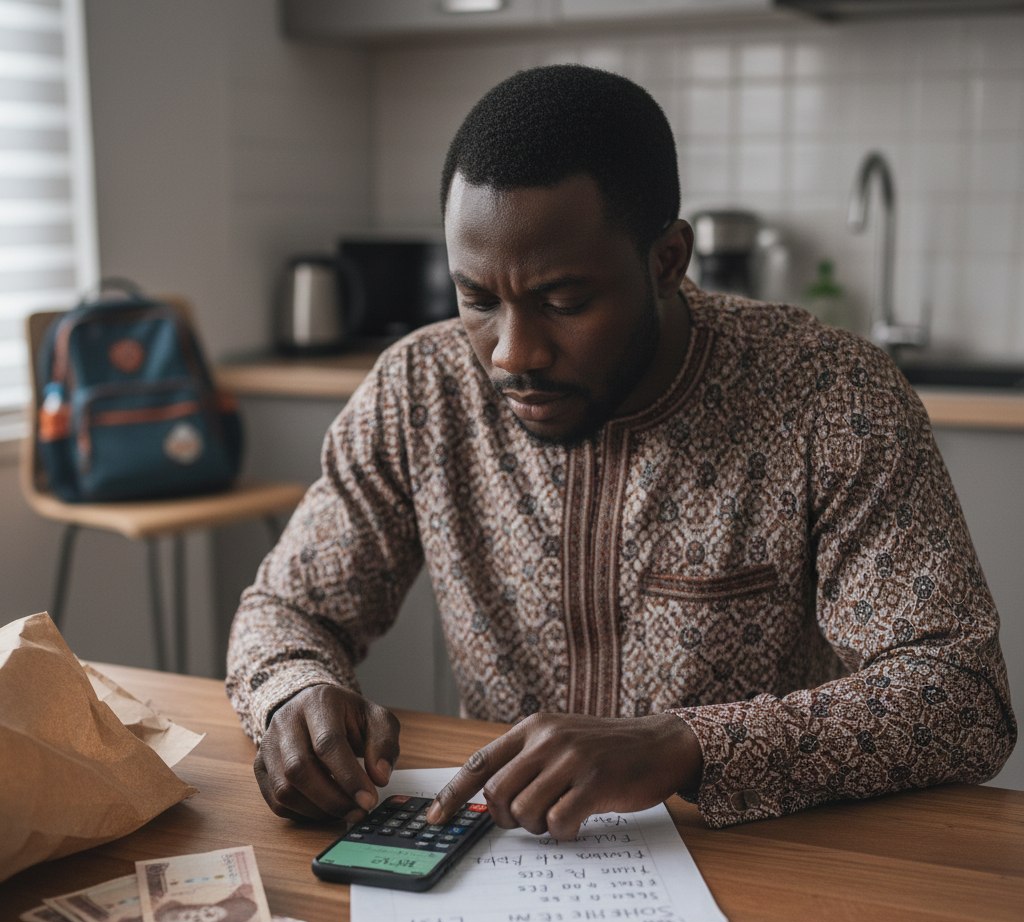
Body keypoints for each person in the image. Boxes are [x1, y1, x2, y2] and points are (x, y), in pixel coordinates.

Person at [226, 64, 1015, 837]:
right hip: (503, 859)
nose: (512, 353)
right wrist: (294, 694)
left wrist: (687, 745)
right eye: (478, 299)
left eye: (563, 301)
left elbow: (962, 696)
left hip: (768, 860)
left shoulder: (830, 396)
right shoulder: (420, 391)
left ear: (667, 261)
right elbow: (289, 609)